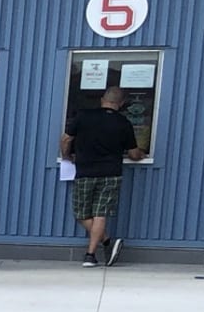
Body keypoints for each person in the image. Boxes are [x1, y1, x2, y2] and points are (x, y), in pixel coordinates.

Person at [61, 86, 145, 267]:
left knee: (81, 213)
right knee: (100, 213)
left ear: (102, 99)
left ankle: (95, 251)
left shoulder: (83, 116)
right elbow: (133, 154)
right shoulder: (123, 123)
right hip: (111, 173)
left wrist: (67, 156)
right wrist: (141, 154)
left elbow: (66, 138)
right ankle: (101, 247)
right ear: (121, 103)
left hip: (84, 171)